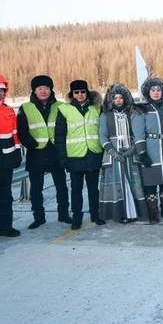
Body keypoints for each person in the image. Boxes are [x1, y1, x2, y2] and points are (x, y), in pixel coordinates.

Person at [17, 75, 71, 229]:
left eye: (46, 88)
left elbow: (66, 127)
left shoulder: (61, 106)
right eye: (40, 88)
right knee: (36, 188)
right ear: (34, 91)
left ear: (50, 89)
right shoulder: (25, 107)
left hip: (56, 151)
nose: (43, 91)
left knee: (61, 186)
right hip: (36, 152)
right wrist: (30, 143)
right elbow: (22, 131)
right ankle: (39, 217)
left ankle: (64, 214)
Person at [55, 79, 104, 230]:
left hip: (93, 154)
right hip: (75, 156)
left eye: (83, 92)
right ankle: (77, 217)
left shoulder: (97, 108)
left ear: (87, 92)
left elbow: (103, 131)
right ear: (72, 94)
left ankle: (95, 215)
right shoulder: (64, 109)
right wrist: (63, 158)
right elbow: (60, 136)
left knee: (93, 189)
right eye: (77, 92)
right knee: (76, 190)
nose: (80, 95)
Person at [133, 77, 163, 223]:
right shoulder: (141, 109)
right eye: (153, 90)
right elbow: (138, 133)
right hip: (151, 148)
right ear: (148, 92)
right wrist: (142, 152)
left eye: (158, 90)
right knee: (151, 182)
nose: (156, 93)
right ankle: (153, 211)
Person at [98, 84, 148, 223]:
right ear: (111, 100)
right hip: (113, 155)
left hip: (130, 154)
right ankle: (119, 214)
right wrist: (112, 152)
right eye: (115, 98)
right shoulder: (105, 115)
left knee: (132, 182)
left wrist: (132, 149)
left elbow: (137, 133)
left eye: (121, 98)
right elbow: (102, 136)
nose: (119, 100)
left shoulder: (131, 114)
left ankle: (133, 212)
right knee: (117, 184)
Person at [0, 75, 22, 237]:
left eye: (2, 90)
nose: (0, 93)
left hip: (6, 161)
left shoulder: (9, 111)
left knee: (6, 195)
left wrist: (17, 153)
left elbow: (15, 134)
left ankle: (6, 227)